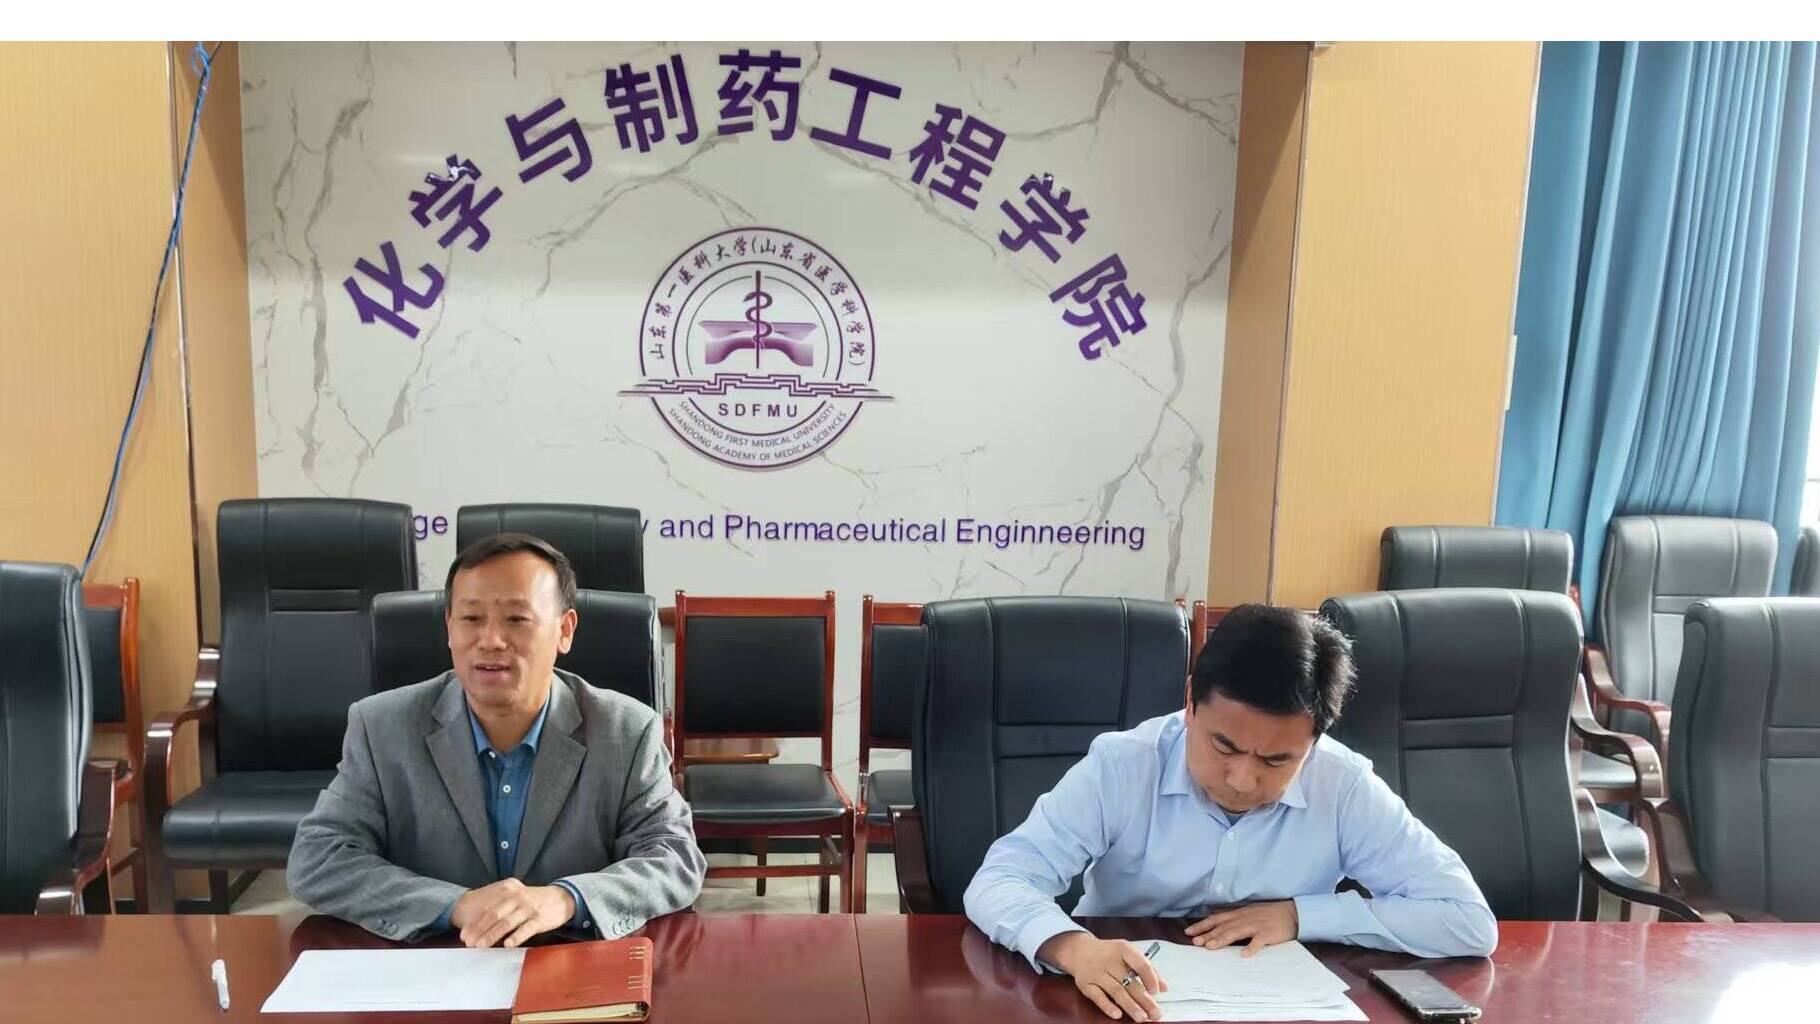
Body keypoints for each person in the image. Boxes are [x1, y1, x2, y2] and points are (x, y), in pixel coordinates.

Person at [964, 604, 1496, 1023]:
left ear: (1315, 740)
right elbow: (1001, 879)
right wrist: (1074, 948)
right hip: (1122, 1000)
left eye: (1276, 760)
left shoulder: (1343, 784)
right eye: (1223, 746)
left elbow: (1467, 921)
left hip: (1280, 1005)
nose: (1242, 779)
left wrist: (1302, 916)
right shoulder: (1125, 765)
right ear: (1191, 702)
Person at [289, 533, 705, 947]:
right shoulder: (381, 726)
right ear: (448, 628)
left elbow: (675, 857)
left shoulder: (626, 730)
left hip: (571, 959)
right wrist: (454, 904)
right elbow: (319, 859)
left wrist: (566, 899)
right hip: (435, 961)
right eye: (471, 618)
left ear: (564, 630)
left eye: (516, 619)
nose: (490, 640)